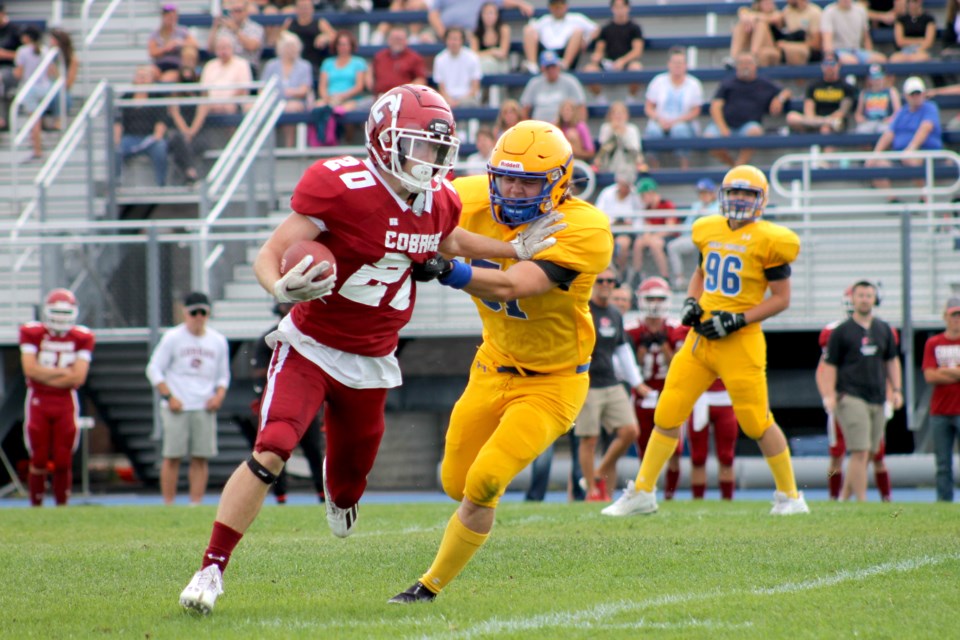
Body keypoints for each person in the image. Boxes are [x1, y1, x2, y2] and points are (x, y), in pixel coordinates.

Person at [178, 85, 563, 615]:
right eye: (420, 147)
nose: (430, 161)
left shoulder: (440, 200)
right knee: (273, 445)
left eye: (437, 150)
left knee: (348, 483)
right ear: (384, 140)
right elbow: (270, 252)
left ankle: (339, 498)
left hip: (374, 360)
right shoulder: (340, 185)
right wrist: (277, 288)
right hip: (310, 344)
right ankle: (211, 570)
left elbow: (448, 239)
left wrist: (509, 249)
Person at [388, 120, 613, 604]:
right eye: (505, 177)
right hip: (491, 366)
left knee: (486, 480)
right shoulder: (467, 196)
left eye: (528, 181)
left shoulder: (584, 228)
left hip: (553, 382)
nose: (513, 189)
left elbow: (516, 284)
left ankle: (428, 587)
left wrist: (449, 268)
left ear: (559, 182)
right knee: (455, 482)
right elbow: (405, 205)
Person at [603, 164, 810, 517]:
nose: (740, 199)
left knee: (756, 421)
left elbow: (781, 298)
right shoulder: (708, 228)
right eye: (735, 192)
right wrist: (691, 301)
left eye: (748, 193)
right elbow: (701, 272)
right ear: (723, 195)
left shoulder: (772, 239)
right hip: (701, 338)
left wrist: (737, 319)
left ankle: (791, 496)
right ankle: (642, 491)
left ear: (761, 199)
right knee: (667, 412)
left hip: (740, 341)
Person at [818, 280, 903, 502]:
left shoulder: (884, 328)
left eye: (868, 296)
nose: (864, 300)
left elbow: (891, 362)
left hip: (876, 397)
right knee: (845, 454)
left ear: (875, 299)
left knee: (873, 453)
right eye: (860, 296)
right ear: (851, 299)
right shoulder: (837, 331)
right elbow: (825, 368)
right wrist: (828, 395)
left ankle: (851, 498)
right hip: (849, 396)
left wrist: (896, 390)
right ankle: (844, 497)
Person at [146, 291, 230, 506]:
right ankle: (169, 503)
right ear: (185, 313)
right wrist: (168, 396)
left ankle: (196, 503)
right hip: (178, 405)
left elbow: (223, 375)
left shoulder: (218, 340)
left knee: (200, 457)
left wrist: (218, 396)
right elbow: (154, 369)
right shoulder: (173, 337)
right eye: (194, 312)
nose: (199, 317)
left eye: (203, 312)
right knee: (172, 456)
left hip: (203, 405)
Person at [576, 267, 646, 502]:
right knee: (589, 438)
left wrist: (637, 382)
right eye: (601, 280)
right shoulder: (583, 308)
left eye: (610, 281)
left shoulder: (615, 313)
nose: (606, 284)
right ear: (593, 282)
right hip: (587, 382)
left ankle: (596, 474)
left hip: (611, 381)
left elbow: (621, 348)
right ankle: (592, 492)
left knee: (629, 431)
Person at [19, 289, 95, 507]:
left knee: (63, 459)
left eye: (65, 312)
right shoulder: (32, 332)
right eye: (56, 312)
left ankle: (62, 506)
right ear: (46, 311)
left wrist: (45, 375)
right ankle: (37, 505)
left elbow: (78, 377)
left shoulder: (82, 336)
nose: (61, 317)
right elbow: (30, 370)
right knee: (39, 457)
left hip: (65, 401)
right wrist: (64, 374)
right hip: (37, 400)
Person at [246, 301, 325, 504]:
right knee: (276, 450)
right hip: (280, 402)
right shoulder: (270, 338)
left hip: (306, 402)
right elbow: (260, 373)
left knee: (314, 450)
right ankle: (280, 496)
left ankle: (324, 494)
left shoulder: (312, 336)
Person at [626, 276, 685, 500]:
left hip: (669, 392)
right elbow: (631, 366)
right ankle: (646, 491)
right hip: (642, 394)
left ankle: (670, 495)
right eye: (651, 297)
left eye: (660, 298)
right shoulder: (632, 329)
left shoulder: (676, 328)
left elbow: (678, 365)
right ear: (641, 299)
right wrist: (642, 347)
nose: (655, 302)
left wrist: (663, 345)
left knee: (675, 450)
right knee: (644, 448)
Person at [704, 53, 791, 167]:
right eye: (741, 63)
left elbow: (786, 91)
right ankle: (733, 166)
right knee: (708, 138)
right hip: (725, 125)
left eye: (748, 63)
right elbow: (715, 106)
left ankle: (739, 167)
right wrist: (723, 127)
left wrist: (779, 99)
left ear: (755, 65)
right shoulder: (728, 84)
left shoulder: (764, 83)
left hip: (747, 126)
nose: (745, 66)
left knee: (755, 131)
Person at [867, 76, 943, 198]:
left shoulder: (930, 108)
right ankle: (892, 200)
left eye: (918, 93)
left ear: (923, 94)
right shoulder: (902, 112)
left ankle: (925, 197)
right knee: (876, 163)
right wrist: (875, 154)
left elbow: (925, 128)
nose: (916, 96)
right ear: (906, 96)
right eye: (912, 94)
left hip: (926, 153)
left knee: (911, 159)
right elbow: (889, 133)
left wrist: (911, 149)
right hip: (901, 154)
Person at [922, 296, 960, 502]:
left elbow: (937, 373)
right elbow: (930, 376)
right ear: (945, 316)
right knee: (943, 463)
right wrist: (956, 372)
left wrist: (945, 370)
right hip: (940, 411)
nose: (957, 319)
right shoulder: (934, 343)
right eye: (954, 315)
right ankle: (944, 500)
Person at [643, 47, 703, 171]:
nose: (677, 66)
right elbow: (648, 107)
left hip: (684, 123)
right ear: (669, 64)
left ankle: (684, 168)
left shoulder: (694, 84)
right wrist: (659, 119)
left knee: (680, 130)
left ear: (686, 65)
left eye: (680, 63)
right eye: (675, 63)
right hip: (660, 121)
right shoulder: (658, 81)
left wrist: (676, 121)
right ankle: (655, 168)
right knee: (653, 131)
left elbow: (696, 111)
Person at [114, 65, 170, 187]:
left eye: (145, 77)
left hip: (150, 138)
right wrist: (117, 140)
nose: (142, 79)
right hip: (130, 137)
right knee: (116, 150)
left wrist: (156, 137)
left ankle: (161, 183)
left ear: (151, 80)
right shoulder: (126, 98)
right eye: (139, 76)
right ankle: (116, 183)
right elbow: (118, 122)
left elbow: (161, 121)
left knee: (160, 147)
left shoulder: (157, 98)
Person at [685, 376, 739, 500]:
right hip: (700, 397)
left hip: (726, 398)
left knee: (727, 456)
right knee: (698, 457)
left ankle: (727, 501)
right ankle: (698, 501)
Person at [582, 0, 644, 101]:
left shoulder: (635, 28)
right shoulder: (606, 28)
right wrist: (596, 58)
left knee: (636, 68)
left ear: (628, 8)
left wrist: (622, 61)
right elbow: (599, 50)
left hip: (627, 63)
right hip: (608, 63)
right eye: (617, 7)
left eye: (622, 7)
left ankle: (631, 98)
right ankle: (600, 98)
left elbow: (637, 51)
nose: (619, 10)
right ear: (612, 9)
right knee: (589, 69)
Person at [262, 30, 313, 146]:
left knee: (291, 108)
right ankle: (266, 147)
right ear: (281, 48)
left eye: (294, 47)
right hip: (274, 101)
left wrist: (286, 93)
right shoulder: (271, 65)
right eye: (288, 47)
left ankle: (289, 147)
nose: (291, 50)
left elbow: (304, 89)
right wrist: (286, 93)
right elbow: (263, 89)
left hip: (296, 102)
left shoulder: (304, 65)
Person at [667, 178, 719, 291]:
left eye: (705, 192)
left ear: (712, 193)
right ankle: (679, 279)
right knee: (673, 246)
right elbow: (688, 225)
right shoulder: (696, 205)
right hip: (693, 237)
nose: (703, 195)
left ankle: (712, 280)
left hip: (711, 240)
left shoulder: (719, 207)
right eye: (701, 193)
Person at [784, 55, 856, 136]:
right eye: (826, 63)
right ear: (822, 66)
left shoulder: (846, 87)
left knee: (826, 129)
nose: (829, 67)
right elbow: (809, 113)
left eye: (832, 63)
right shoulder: (814, 86)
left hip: (836, 124)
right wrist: (823, 121)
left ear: (838, 65)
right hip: (815, 122)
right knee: (791, 117)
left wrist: (828, 122)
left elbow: (842, 112)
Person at [522, 0, 599, 73]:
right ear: (550, 7)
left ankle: (565, 65)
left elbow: (596, 29)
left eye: (560, 6)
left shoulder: (576, 18)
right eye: (555, 6)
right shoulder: (544, 20)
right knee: (528, 29)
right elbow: (530, 31)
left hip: (564, 53)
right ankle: (533, 65)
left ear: (566, 6)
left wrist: (586, 40)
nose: (557, 9)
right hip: (545, 53)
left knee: (578, 32)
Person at [594, 167, 643, 277]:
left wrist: (631, 226)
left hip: (626, 232)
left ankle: (620, 273)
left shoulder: (635, 195)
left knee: (623, 244)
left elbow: (639, 217)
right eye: (623, 185)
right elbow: (599, 213)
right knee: (604, 244)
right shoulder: (606, 193)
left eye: (627, 185)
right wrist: (612, 222)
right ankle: (605, 272)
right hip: (608, 229)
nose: (625, 188)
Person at [167, 63, 209, 185]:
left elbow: (201, 114)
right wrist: (185, 132)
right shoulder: (175, 93)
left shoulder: (201, 93)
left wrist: (191, 132)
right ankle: (191, 173)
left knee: (186, 147)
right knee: (178, 139)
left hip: (198, 133)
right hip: (180, 133)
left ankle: (188, 175)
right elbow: (176, 114)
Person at [631, 177, 678, 284]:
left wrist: (654, 236)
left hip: (668, 237)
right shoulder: (647, 208)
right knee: (639, 243)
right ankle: (637, 274)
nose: (642, 198)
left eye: (643, 195)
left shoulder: (666, 204)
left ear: (650, 193)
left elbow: (670, 228)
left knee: (655, 244)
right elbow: (647, 227)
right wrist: (647, 236)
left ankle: (665, 276)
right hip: (655, 236)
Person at [519, 50, 587, 123]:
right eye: (548, 67)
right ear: (542, 68)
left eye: (553, 66)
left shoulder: (570, 81)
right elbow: (525, 109)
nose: (551, 70)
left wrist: (577, 127)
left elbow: (581, 107)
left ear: (558, 66)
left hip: (563, 127)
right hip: (539, 128)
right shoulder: (534, 83)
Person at [14, 26, 48, 163]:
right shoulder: (45, 50)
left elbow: (19, 73)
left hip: (31, 89)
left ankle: (37, 150)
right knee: (38, 118)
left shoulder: (22, 51)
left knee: (34, 121)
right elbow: (51, 72)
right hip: (45, 88)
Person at [756, 0, 823, 67]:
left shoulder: (815, 13)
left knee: (793, 51)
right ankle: (753, 57)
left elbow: (816, 45)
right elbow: (773, 21)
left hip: (806, 51)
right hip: (786, 46)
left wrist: (787, 45)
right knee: (761, 26)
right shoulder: (787, 10)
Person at [200, 34, 253, 115]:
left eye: (225, 48)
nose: (223, 51)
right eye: (220, 48)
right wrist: (213, 103)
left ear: (232, 48)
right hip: (211, 105)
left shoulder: (242, 64)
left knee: (232, 106)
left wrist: (226, 103)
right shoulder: (209, 65)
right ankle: (191, 128)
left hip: (234, 104)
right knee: (201, 106)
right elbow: (204, 90)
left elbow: (243, 89)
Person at [430, 0, 533, 41]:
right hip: (445, 33)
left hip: (472, 33)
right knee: (425, 40)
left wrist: (520, 4)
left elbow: (502, 1)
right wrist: (445, 35)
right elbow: (433, 15)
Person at [821, 0, 886, 65]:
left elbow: (866, 38)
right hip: (838, 51)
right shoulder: (829, 11)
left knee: (880, 59)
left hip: (857, 51)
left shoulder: (860, 10)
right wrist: (830, 57)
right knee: (852, 61)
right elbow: (827, 41)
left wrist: (870, 53)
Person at [207, 0, 264, 73]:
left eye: (239, 10)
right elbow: (211, 48)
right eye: (233, 11)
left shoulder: (255, 28)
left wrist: (235, 30)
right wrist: (215, 28)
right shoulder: (224, 28)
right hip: (224, 66)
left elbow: (252, 46)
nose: (236, 14)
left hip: (247, 67)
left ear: (246, 11)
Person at [318, 31, 368, 112]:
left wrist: (342, 97)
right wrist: (327, 98)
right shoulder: (327, 63)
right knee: (318, 107)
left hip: (351, 100)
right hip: (329, 100)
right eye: (340, 44)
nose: (343, 47)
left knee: (344, 110)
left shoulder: (359, 62)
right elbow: (322, 87)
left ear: (351, 46)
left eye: (345, 44)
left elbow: (359, 86)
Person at [370, 26, 427, 98]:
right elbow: (371, 75)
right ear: (388, 40)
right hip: (380, 97)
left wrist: (405, 92)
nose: (396, 41)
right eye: (394, 39)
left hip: (404, 99)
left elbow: (420, 80)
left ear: (406, 40)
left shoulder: (414, 57)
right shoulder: (379, 56)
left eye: (399, 39)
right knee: (356, 107)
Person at [282, 0, 336, 75]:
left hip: (314, 64)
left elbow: (335, 37)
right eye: (301, 7)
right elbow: (280, 40)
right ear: (296, 9)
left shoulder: (320, 23)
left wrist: (325, 37)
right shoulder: (289, 23)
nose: (304, 10)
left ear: (312, 9)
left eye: (306, 7)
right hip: (292, 63)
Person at [148, 3, 199, 82]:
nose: (171, 19)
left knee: (167, 78)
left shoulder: (182, 31)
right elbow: (152, 52)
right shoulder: (156, 34)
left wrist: (179, 43)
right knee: (149, 73)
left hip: (176, 65)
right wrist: (166, 48)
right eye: (168, 17)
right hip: (160, 64)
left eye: (173, 16)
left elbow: (195, 44)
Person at [593, 100, 646, 176]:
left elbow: (634, 150)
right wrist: (614, 133)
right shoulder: (605, 128)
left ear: (626, 115)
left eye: (621, 113)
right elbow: (604, 150)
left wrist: (622, 134)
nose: (618, 116)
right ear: (610, 115)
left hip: (628, 163)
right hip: (609, 163)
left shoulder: (633, 129)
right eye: (615, 113)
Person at [433, 27, 482, 108]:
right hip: (446, 100)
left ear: (462, 41)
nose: (453, 42)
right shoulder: (439, 59)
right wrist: (450, 100)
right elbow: (441, 87)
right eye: (450, 39)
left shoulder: (473, 57)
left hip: (468, 99)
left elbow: (475, 88)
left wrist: (459, 101)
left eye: (456, 39)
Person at [853, 64, 900, 134]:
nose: (876, 81)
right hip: (869, 122)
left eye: (879, 77)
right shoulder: (864, 93)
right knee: (861, 131)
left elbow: (898, 111)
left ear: (884, 78)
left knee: (887, 131)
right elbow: (858, 113)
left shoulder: (891, 91)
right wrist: (860, 119)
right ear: (869, 79)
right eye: (873, 78)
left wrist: (891, 119)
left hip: (884, 123)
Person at [468, 2, 512, 75]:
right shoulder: (475, 33)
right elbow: (474, 55)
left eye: (491, 13)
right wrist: (492, 51)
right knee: (485, 64)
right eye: (486, 13)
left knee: (490, 64)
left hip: (500, 64)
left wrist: (485, 54)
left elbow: (503, 53)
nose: (488, 17)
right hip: (482, 63)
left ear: (497, 15)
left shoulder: (504, 29)